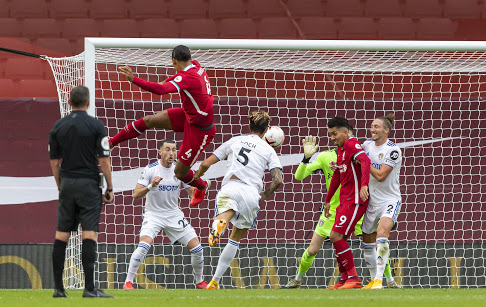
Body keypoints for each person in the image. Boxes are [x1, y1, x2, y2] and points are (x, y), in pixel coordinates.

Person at [110, 45, 215, 207]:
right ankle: (111, 143)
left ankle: (202, 186)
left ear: (174, 61)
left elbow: (161, 90)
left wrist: (134, 79)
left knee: (179, 172)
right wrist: (164, 83)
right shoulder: (195, 65)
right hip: (189, 117)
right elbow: (168, 82)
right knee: (150, 120)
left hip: (200, 130)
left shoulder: (188, 77)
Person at [284, 136, 396, 289]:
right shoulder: (326, 156)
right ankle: (297, 279)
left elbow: (367, 166)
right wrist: (306, 158)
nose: (336, 139)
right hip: (332, 212)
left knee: (373, 243)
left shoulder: (358, 153)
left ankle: (388, 281)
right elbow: (299, 176)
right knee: (312, 250)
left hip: (353, 209)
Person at [192, 110, 284, 290]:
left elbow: (205, 164)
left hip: (231, 186)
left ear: (249, 126)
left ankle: (219, 224)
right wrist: (265, 195)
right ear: (266, 130)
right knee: (235, 238)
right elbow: (278, 179)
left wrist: (196, 180)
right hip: (251, 193)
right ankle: (215, 281)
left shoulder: (235, 141)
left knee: (225, 214)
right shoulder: (268, 149)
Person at [49, 86, 114, 298]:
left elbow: (54, 162)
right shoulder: (96, 125)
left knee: (61, 234)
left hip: (67, 183)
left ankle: (59, 289)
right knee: (89, 233)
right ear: (87, 102)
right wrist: (109, 187)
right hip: (88, 185)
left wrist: (61, 185)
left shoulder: (58, 127)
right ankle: (89, 289)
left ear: (69, 102)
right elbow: (104, 160)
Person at [123, 140, 207, 290]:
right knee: (143, 246)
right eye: (168, 150)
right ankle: (128, 282)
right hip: (153, 215)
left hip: (174, 215)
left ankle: (200, 282)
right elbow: (135, 195)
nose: (171, 153)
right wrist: (151, 186)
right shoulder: (150, 170)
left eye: (174, 150)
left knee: (198, 249)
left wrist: (202, 188)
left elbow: (192, 195)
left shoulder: (180, 170)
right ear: (160, 152)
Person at [323, 116, 370, 289]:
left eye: (335, 134)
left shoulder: (351, 144)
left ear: (345, 132)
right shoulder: (341, 149)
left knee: (335, 236)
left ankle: (354, 278)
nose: (332, 138)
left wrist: (364, 184)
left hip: (356, 200)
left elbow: (365, 160)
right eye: (330, 134)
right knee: (338, 237)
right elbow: (337, 175)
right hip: (345, 200)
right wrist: (328, 200)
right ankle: (344, 279)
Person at [360, 114, 403, 289]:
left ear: (386, 130)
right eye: (371, 126)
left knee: (381, 233)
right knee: (367, 242)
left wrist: (364, 160)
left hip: (390, 200)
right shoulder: (366, 145)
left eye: (377, 127)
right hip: (372, 201)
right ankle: (376, 280)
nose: (372, 129)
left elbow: (380, 175)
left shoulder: (393, 150)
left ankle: (379, 280)